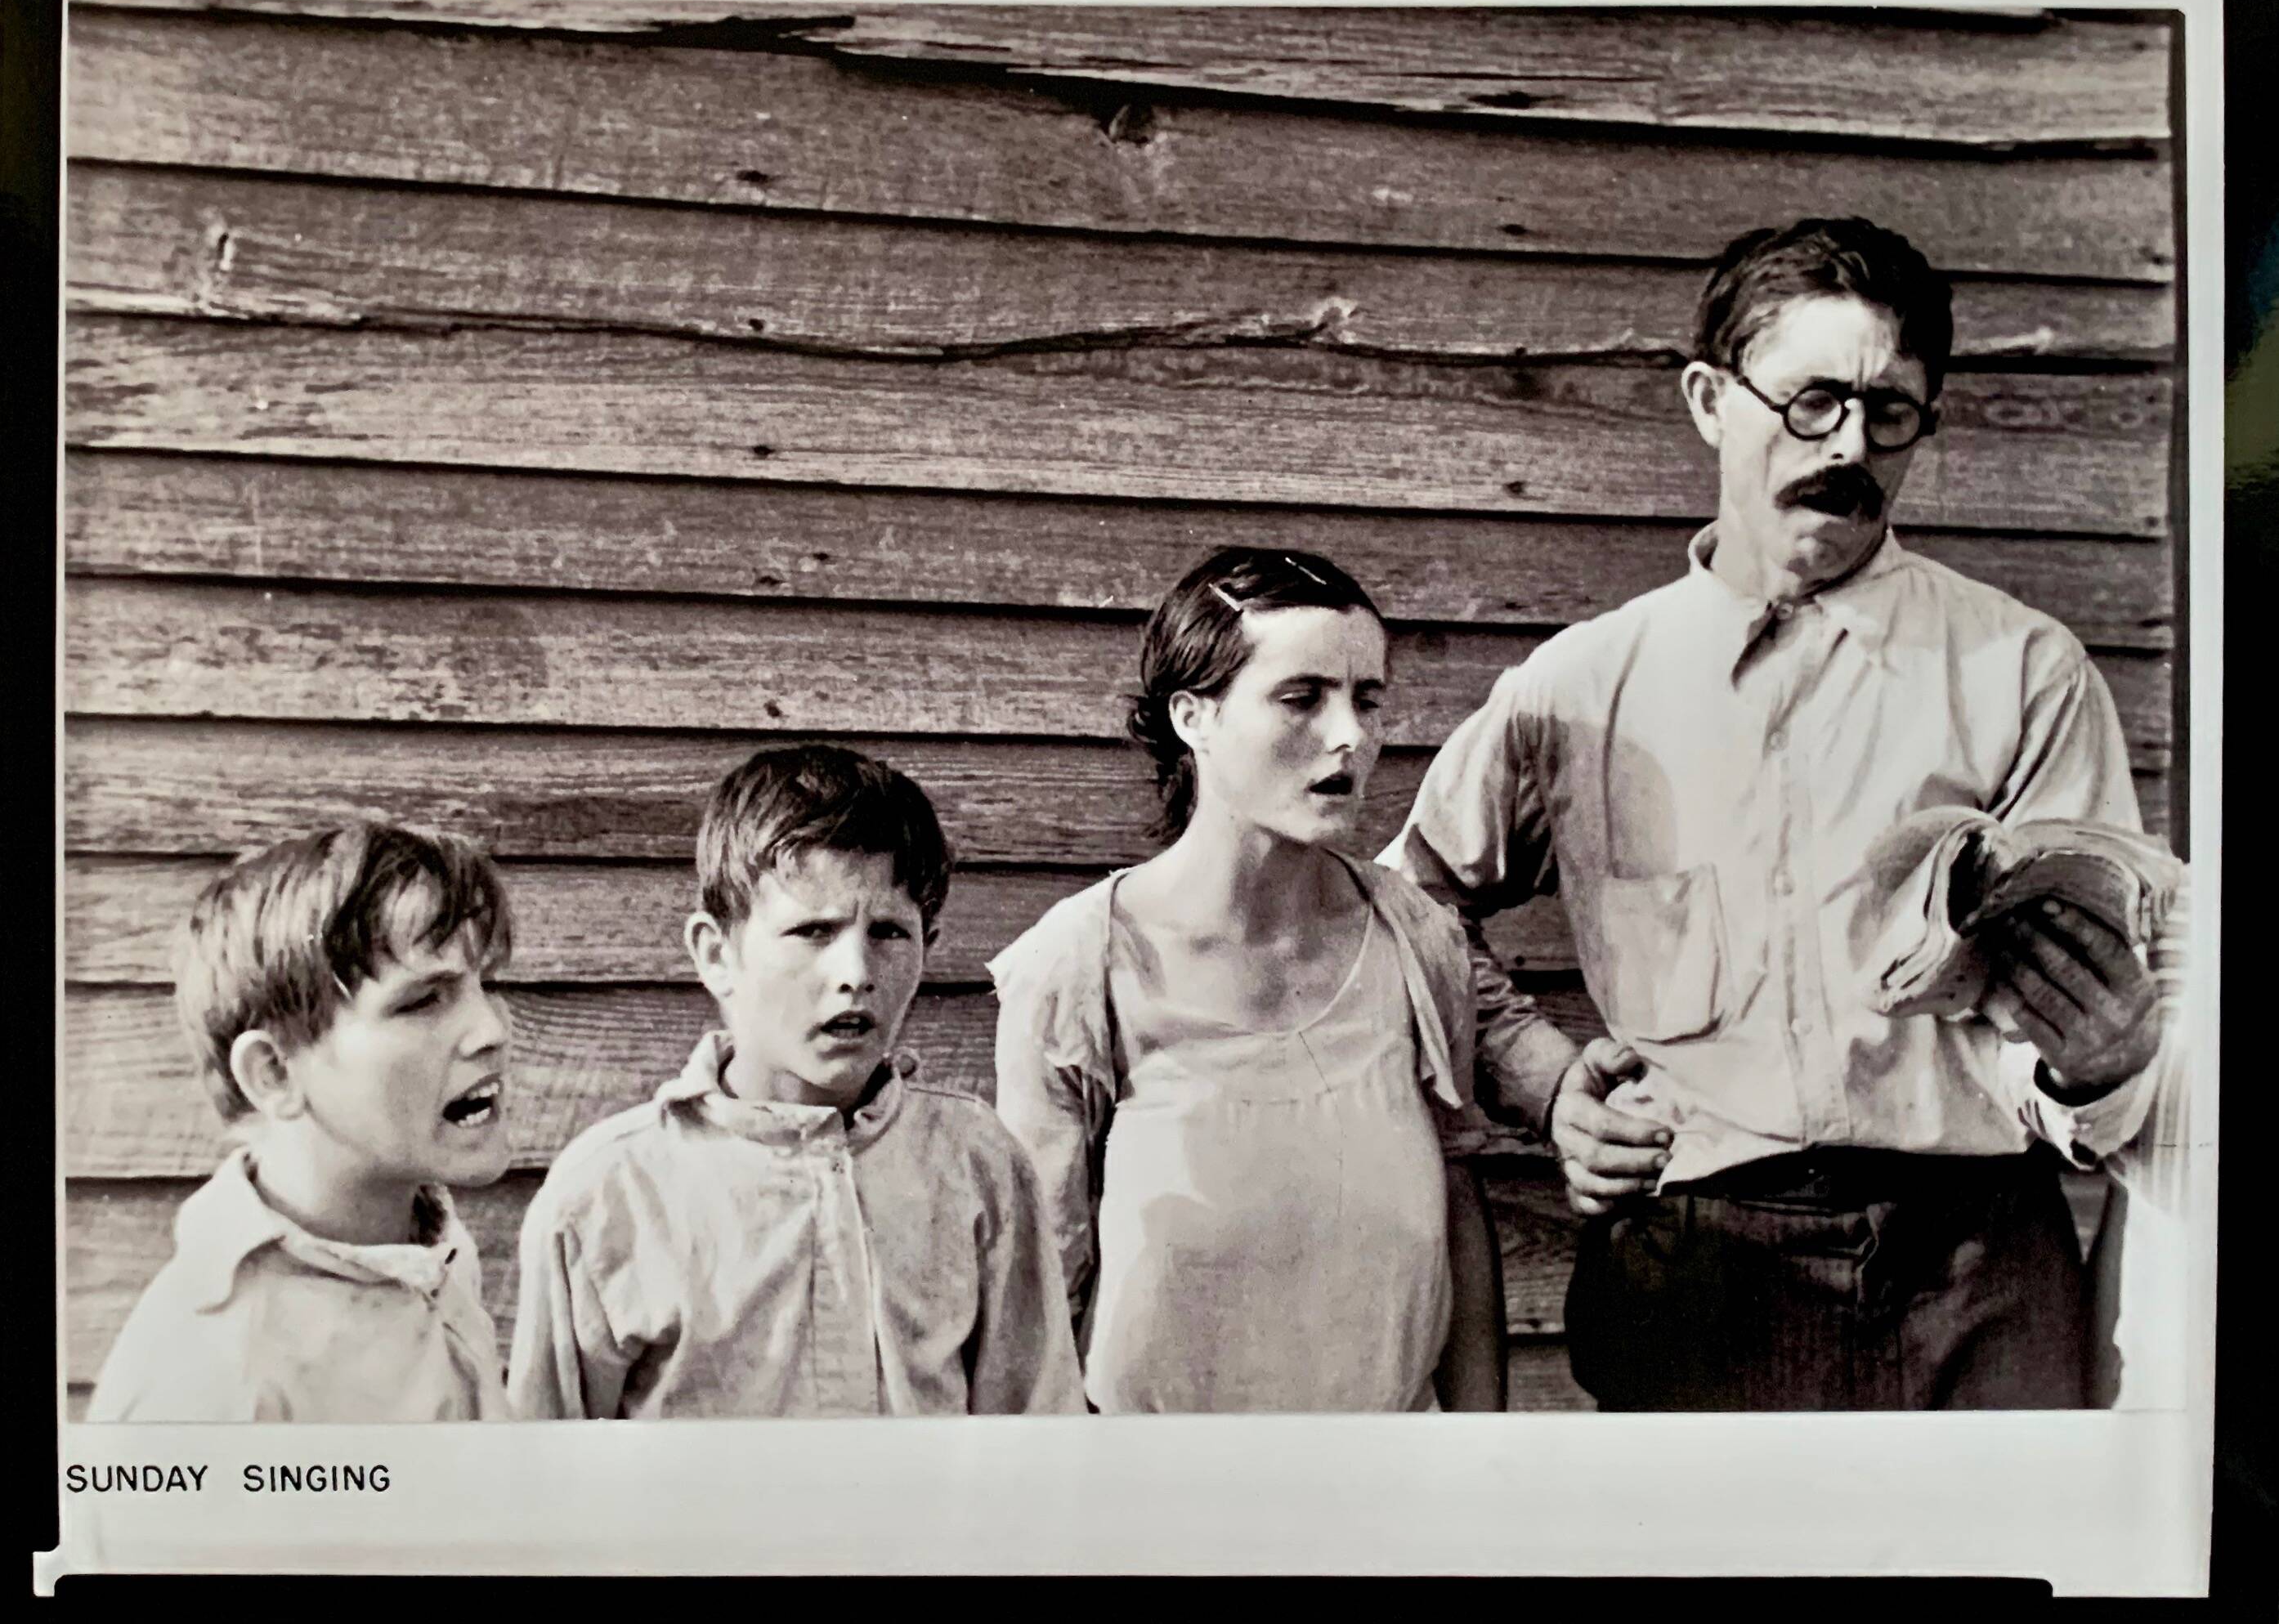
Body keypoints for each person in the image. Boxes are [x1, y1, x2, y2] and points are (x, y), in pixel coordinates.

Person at [1381, 217, 2166, 1410]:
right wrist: (1548, 1082)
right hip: (1700, 1269)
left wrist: (2103, 1055)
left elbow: (2085, 1002)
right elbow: (1411, 911)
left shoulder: (2025, 671)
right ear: (1710, 399)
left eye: (1889, 411)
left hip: (1978, 1266)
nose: (1848, 446)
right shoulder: (1582, 689)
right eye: (1811, 401)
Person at [992, 548, 1507, 1414]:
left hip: (1387, 1492)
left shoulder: (1416, 939)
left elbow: (1456, 1215)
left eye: (1367, 700)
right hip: (1158, 1505)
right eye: (1301, 698)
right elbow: (1037, 1289)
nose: (1350, 735)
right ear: (1193, 716)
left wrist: (1481, 1459)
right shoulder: (1077, 966)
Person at [508, 743, 1084, 1418]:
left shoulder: (975, 1163)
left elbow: (1035, 1437)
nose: (856, 971)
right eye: (813, 930)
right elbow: (545, 1472)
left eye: (891, 933)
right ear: (717, 955)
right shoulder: (610, 1193)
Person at [89, 824, 515, 1421]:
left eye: (486, 984)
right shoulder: (206, 1379)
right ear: (274, 1073)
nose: (493, 1029)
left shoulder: (423, 1245)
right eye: (422, 1000)